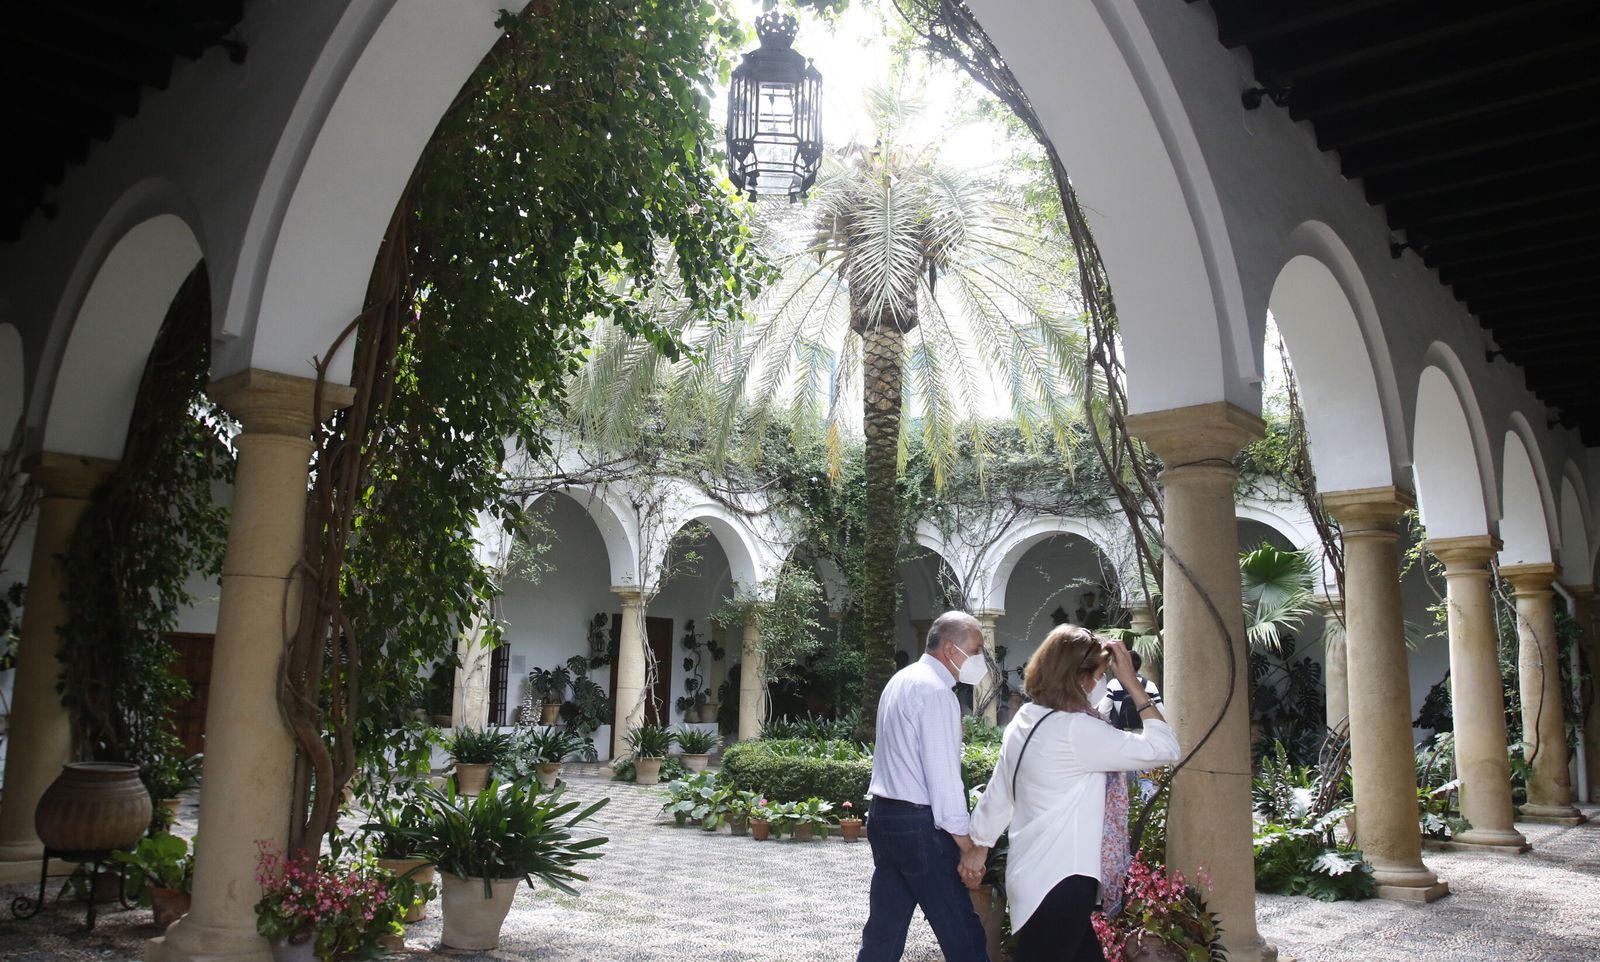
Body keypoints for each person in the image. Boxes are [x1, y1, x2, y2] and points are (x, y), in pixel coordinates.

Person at [961, 625, 1180, 962]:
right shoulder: (1078, 730)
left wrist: (979, 846)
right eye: (1099, 675)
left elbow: (1000, 792)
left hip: (1031, 877)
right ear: (1080, 678)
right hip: (1062, 881)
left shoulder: (1026, 718)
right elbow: (1165, 748)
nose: (1101, 684)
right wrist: (1134, 684)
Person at [857, 611, 992, 962]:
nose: (980, 659)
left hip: (884, 817)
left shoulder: (901, 680)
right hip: (918, 827)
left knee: (883, 936)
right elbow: (944, 779)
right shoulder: (936, 693)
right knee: (963, 934)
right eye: (976, 650)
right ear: (950, 648)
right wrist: (967, 846)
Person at [1098, 649, 1163, 731]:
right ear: (1139, 665)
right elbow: (1161, 712)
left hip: (1122, 733)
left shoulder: (1113, 684)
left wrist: (1113, 728)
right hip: (1145, 732)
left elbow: (1103, 712)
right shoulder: (1150, 685)